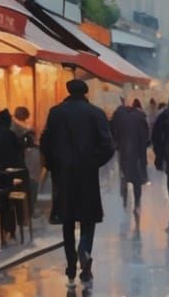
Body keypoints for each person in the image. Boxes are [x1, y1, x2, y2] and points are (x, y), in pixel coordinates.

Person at [40, 78, 114, 283]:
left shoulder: (56, 113)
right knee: (88, 218)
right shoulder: (96, 113)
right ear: (85, 93)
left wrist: (54, 164)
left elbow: (45, 142)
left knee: (68, 219)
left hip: (63, 174)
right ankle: (84, 251)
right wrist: (94, 162)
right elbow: (108, 145)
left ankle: (71, 263)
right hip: (87, 173)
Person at [110, 97, 150, 216]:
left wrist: (116, 144)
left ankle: (124, 201)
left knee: (124, 176)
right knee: (137, 179)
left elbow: (112, 132)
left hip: (123, 151)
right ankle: (137, 203)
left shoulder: (118, 115)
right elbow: (145, 135)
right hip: (138, 153)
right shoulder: (140, 116)